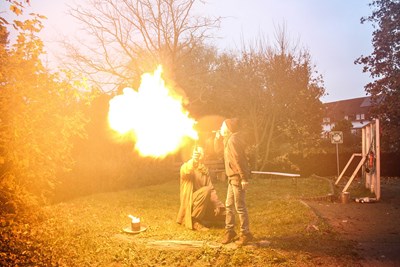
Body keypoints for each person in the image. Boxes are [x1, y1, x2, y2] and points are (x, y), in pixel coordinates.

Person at [214, 118, 253, 245]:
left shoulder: (233, 140)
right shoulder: (228, 140)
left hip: (237, 177)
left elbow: (238, 159)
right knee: (229, 206)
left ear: (228, 128)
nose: (220, 127)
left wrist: (243, 178)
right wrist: (217, 138)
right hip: (232, 178)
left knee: (239, 207)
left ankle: (246, 233)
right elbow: (218, 152)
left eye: (222, 125)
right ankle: (230, 231)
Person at [176, 146, 225, 231]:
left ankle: (206, 218)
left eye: (202, 152)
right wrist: (193, 160)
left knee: (225, 214)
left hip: (203, 201)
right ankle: (195, 221)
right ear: (193, 155)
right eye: (197, 153)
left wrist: (216, 205)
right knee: (206, 190)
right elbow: (187, 172)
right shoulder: (186, 166)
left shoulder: (204, 170)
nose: (200, 154)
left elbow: (211, 189)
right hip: (190, 201)